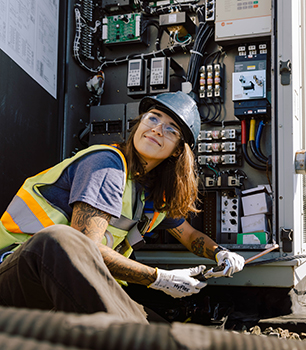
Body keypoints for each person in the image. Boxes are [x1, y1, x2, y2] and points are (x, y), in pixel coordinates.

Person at [0, 91, 244, 324]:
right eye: (153, 118)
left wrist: (219, 253)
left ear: (178, 151)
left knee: (161, 334)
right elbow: (87, 249)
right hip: (22, 273)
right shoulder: (106, 163)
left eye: (171, 130)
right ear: (139, 123)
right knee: (58, 240)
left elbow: (189, 235)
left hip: (68, 283)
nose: (157, 129)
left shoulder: (153, 195)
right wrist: (159, 278)